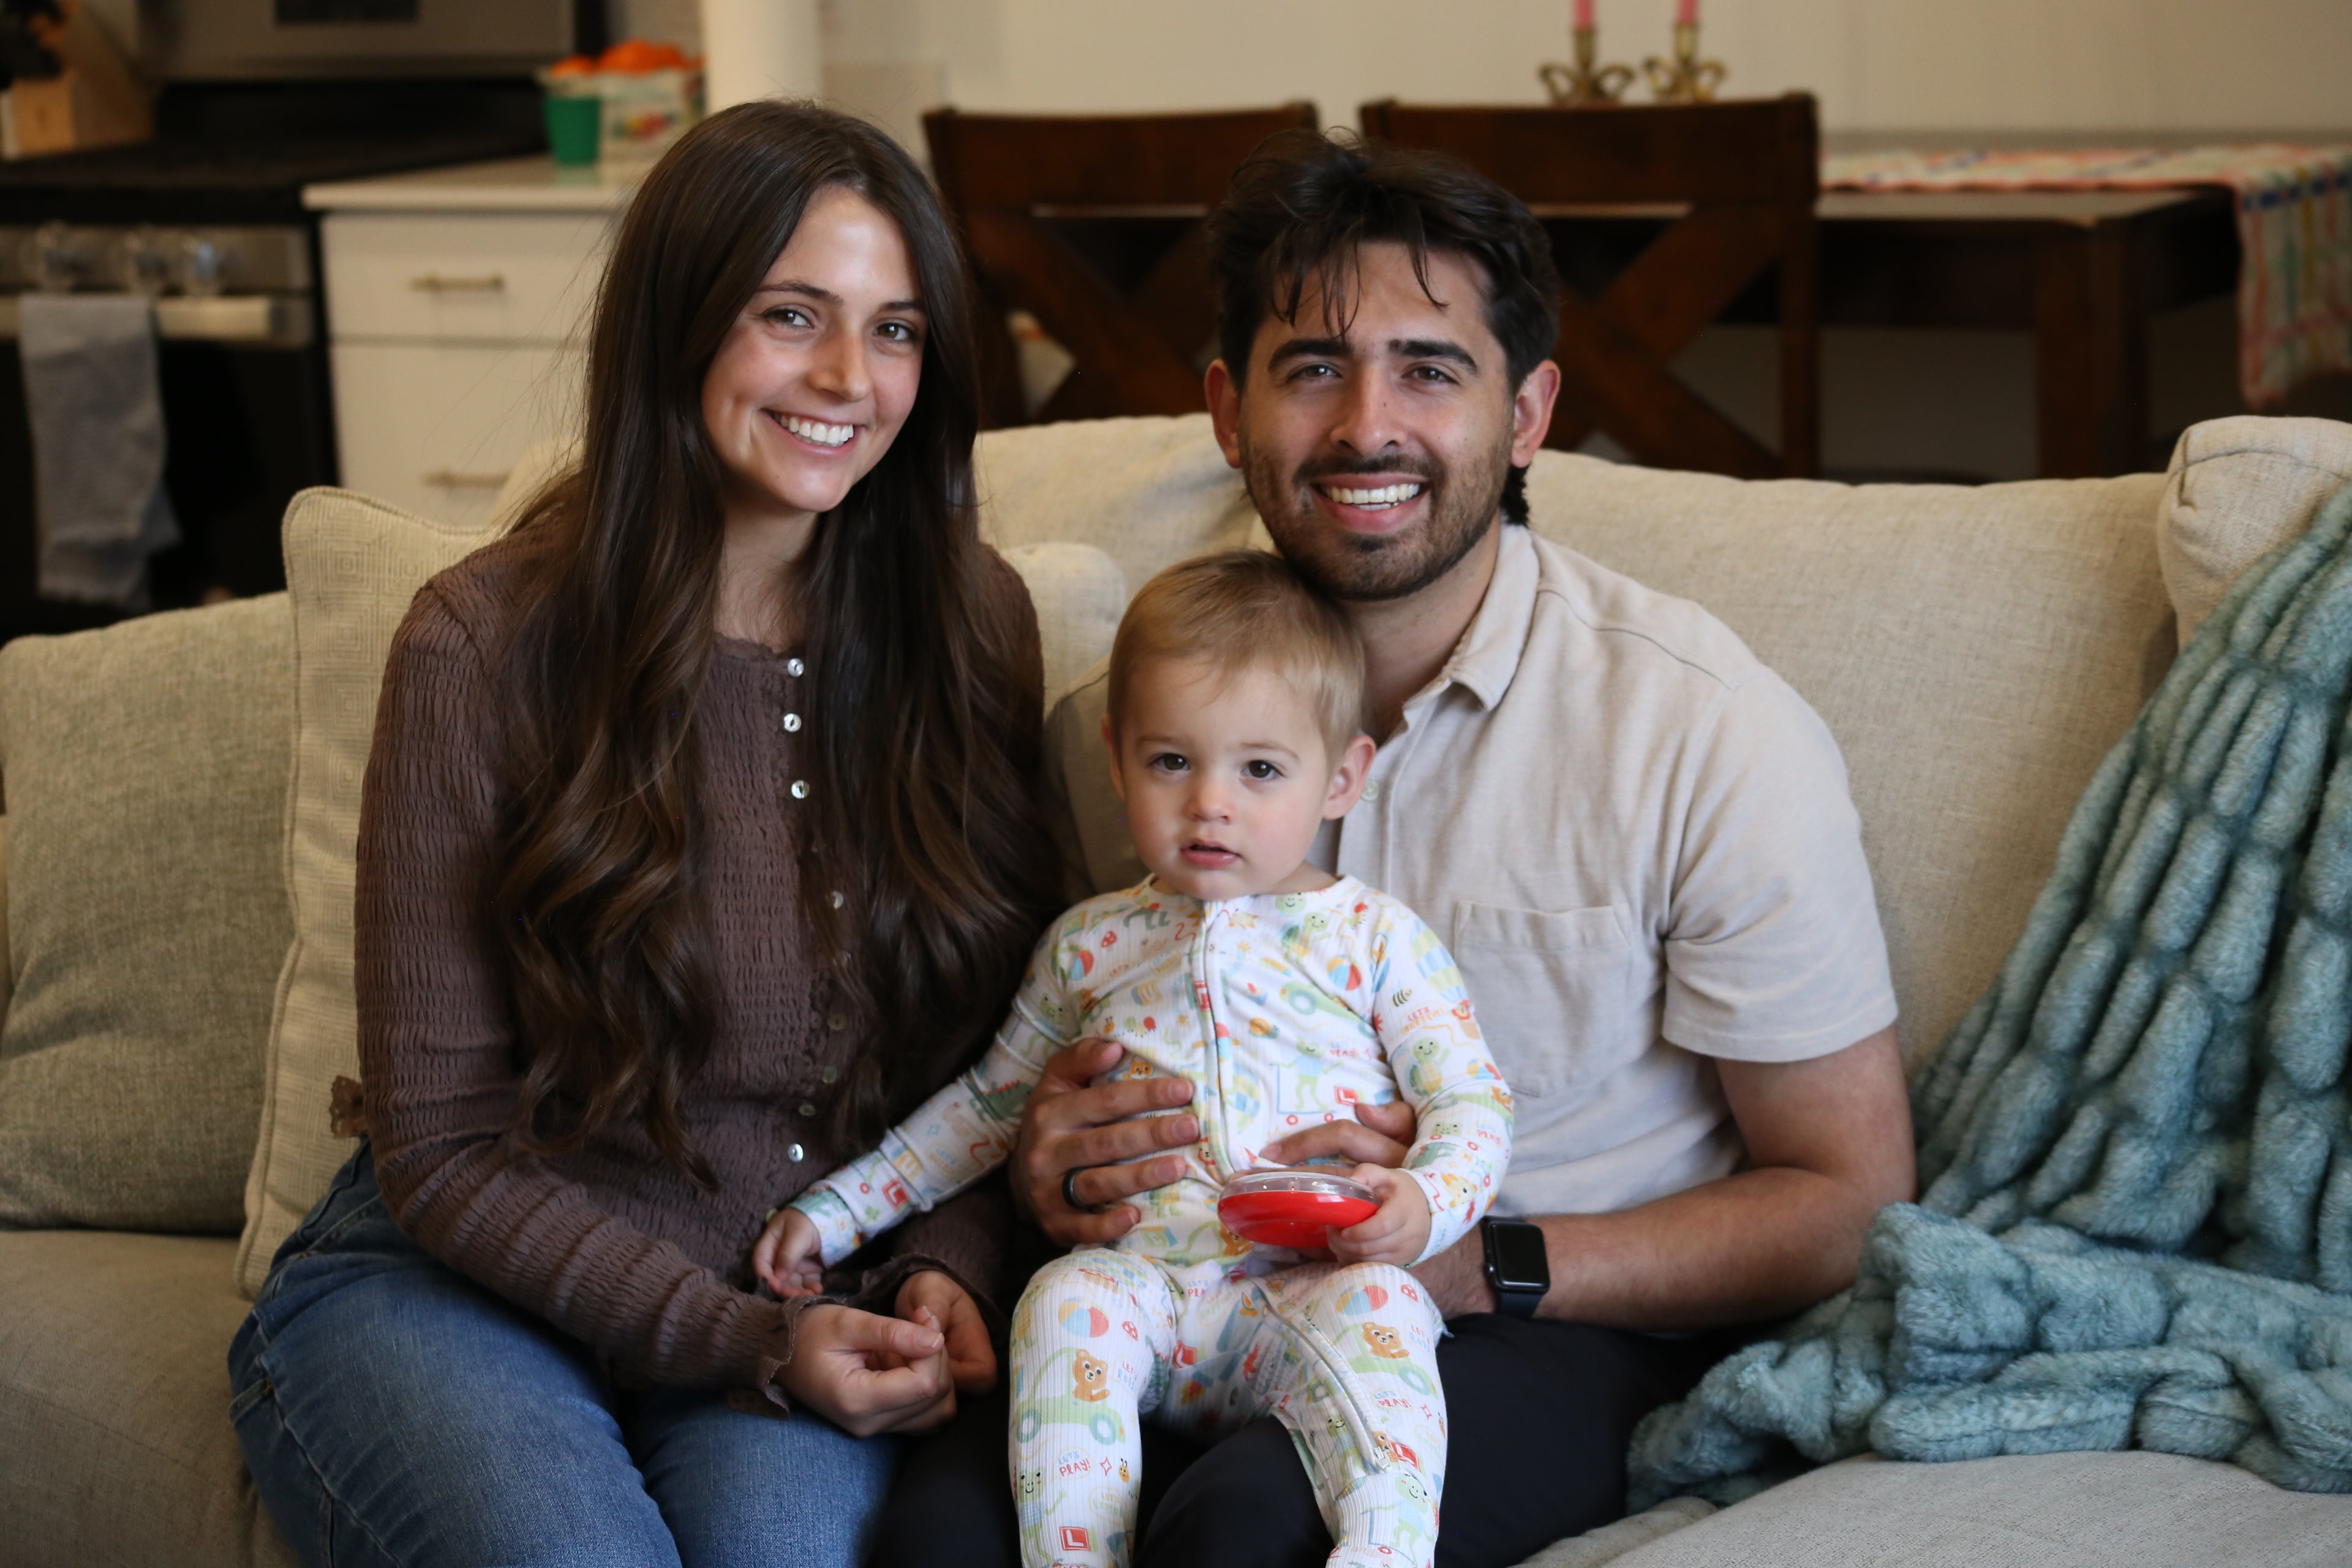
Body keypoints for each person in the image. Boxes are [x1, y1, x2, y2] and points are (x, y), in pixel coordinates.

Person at [875, 131, 1917, 1568]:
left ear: (1531, 411)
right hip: (1165, 1295)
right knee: (931, 1545)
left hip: (1536, 1325)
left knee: (1245, 1539)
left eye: (1432, 367)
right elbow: (1014, 1079)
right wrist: (1044, 1171)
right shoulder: (1099, 743)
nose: (1371, 422)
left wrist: (1476, 1256)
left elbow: (1850, 1201)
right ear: (1230, 412)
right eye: (1314, 367)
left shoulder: (1700, 730)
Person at [227, 102, 1064, 1568]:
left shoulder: (973, 622)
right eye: (789, 314)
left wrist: (946, 1263)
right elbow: (436, 1144)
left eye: (896, 331)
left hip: (798, 1304)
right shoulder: (482, 645)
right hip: (451, 1283)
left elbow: (1003, 1051)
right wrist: (739, 1334)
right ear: (675, 323)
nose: (846, 379)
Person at [759, 550, 1513, 1568]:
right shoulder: (1089, 945)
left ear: (1341, 778)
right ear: (1116, 760)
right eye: (1172, 762)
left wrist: (1428, 1203)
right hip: (1145, 1293)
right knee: (1062, 1299)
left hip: (1304, 1289)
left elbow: (1471, 1102)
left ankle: (1385, 1552)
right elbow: (985, 1108)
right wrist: (836, 1211)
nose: (1211, 802)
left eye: (1260, 769)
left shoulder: (1377, 939)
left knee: (1387, 1313)